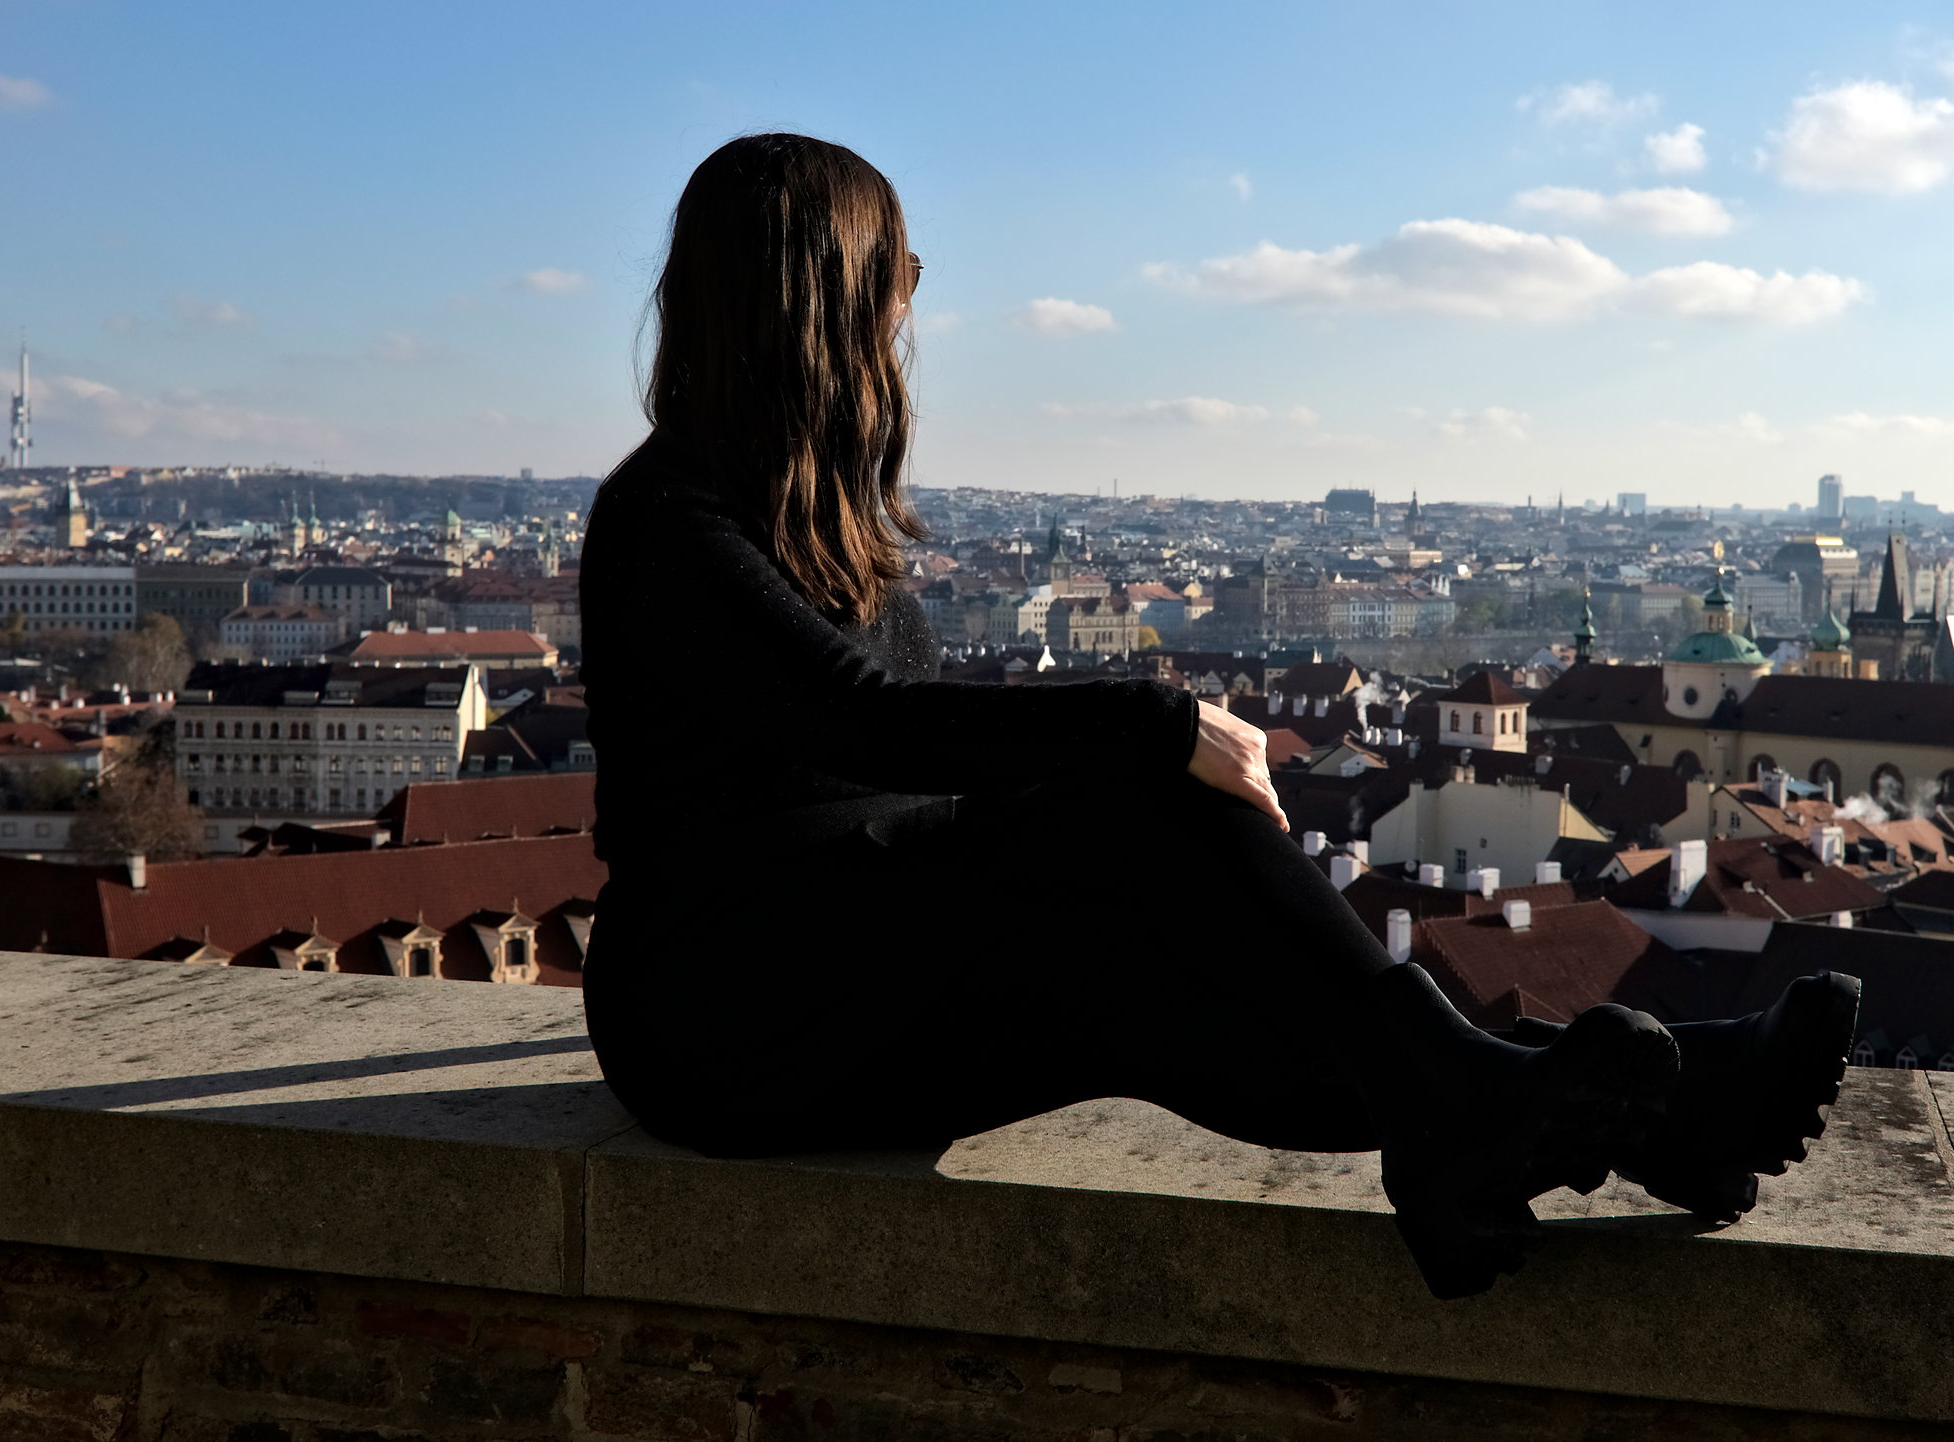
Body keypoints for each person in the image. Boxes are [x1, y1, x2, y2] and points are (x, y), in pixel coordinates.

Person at [580, 133, 1860, 1299]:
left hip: (844, 963)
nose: (913, 301)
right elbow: (866, 721)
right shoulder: (667, 523)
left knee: (1168, 987)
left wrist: (1098, 792)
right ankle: (1549, 1107)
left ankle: (1644, 1115)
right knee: (1151, 861)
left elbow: (927, 764)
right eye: (900, 269)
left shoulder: (827, 527)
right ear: (824, 296)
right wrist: (1149, 728)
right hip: (721, 1011)